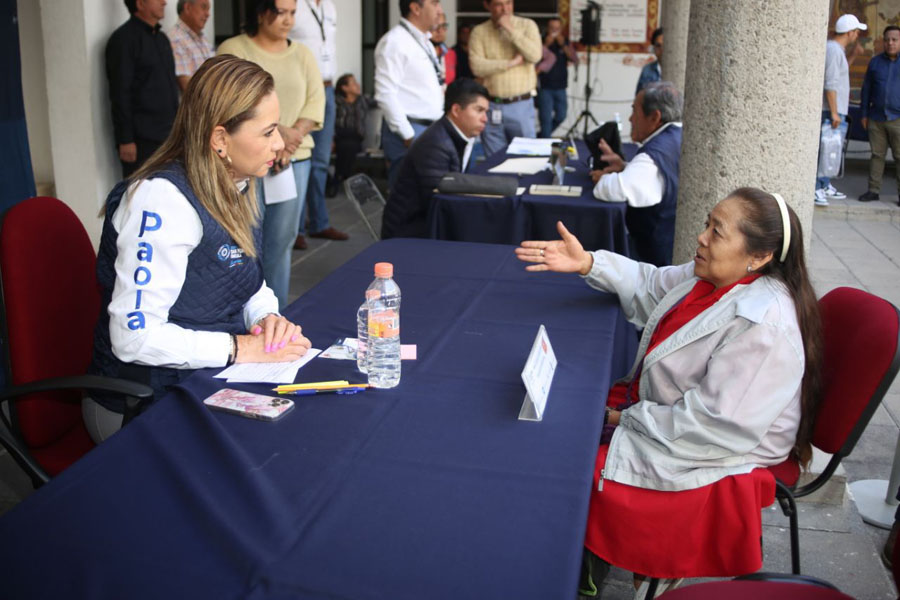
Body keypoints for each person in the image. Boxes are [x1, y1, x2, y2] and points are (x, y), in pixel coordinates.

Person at [516, 187, 821, 596]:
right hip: (674, 417)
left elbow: (714, 427)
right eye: (707, 224)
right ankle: (573, 561)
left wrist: (622, 419)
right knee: (560, 427)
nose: (702, 237)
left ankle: (575, 573)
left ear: (759, 257)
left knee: (568, 464)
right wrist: (587, 262)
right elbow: (651, 284)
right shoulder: (714, 278)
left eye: (718, 231)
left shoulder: (764, 326)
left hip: (717, 446)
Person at [88, 56, 313, 443]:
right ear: (220, 139)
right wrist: (239, 347)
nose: (279, 143)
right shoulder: (161, 201)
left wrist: (266, 317)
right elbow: (133, 338)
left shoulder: (239, 182)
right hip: (141, 404)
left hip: (201, 377)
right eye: (268, 131)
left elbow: (245, 279)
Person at [218, 0, 325, 308]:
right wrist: (277, 134)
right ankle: (237, 310)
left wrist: (289, 138)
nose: (288, 20)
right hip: (243, 162)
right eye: (281, 12)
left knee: (280, 242)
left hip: (293, 160)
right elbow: (230, 106)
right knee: (240, 240)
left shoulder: (302, 53)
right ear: (260, 11)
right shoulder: (234, 49)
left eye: (293, 13)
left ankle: (274, 313)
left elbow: (316, 103)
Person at [381, 78, 489, 239]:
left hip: (427, 223)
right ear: (456, 110)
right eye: (479, 110)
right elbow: (439, 202)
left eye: (486, 112)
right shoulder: (436, 144)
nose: (485, 118)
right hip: (409, 233)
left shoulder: (458, 134)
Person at [590, 81, 682, 267]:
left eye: (635, 111)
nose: (631, 119)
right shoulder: (678, 135)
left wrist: (603, 177)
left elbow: (608, 190)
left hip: (651, 260)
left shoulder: (652, 158)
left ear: (655, 117)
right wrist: (624, 166)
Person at [289, 0, 349, 250]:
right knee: (299, 157)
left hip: (327, 87)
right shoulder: (293, 6)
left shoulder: (329, 7)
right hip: (301, 89)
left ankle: (319, 222)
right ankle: (297, 228)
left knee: (321, 162)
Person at [374, 0, 445, 188]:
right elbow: (385, 93)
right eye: (435, 3)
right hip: (410, 130)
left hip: (430, 129)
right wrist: (408, 135)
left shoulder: (424, 41)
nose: (440, 10)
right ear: (415, 8)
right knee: (406, 201)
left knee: (428, 198)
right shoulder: (394, 42)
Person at [106, 0, 179, 178]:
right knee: (142, 194)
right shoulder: (123, 40)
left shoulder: (161, 39)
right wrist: (126, 139)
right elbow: (120, 92)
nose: (164, 2)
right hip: (142, 141)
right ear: (140, 4)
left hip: (169, 135)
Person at [469, 0, 542, 157]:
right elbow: (476, 67)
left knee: (527, 158)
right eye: (498, 4)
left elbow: (535, 55)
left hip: (521, 104)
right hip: (492, 106)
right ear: (487, 5)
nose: (505, 9)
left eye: (508, 3)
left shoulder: (527, 25)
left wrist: (510, 29)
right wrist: (510, 63)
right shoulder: (479, 31)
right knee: (494, 161)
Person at [816, 14, 867, 206]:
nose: (857, 35)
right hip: (832, 111)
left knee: (831, 150)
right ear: (850, 32)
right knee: (826, 148)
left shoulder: (837, 50)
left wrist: (853, 55)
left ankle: (824, 183)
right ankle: (817, 187)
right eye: (856, 32)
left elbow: (839, 72)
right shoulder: (833, 50)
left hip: (837, 110)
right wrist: (835, 112)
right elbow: (830, 84)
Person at [859, 25, 900, 206]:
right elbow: (866, 90)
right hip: (876, 117)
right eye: (887, 40)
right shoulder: (875, 62)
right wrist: (864, 113)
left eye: (894, 39)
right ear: (883, 42)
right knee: (877, 155)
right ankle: (873, 191)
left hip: (898, 119)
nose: (890, 43)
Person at [333, 74, 376, 189]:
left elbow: (380, 102)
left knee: (349, 145)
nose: (358, 85)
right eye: (353, 83)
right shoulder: (336, 101)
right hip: (340, 136)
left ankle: (338, 177)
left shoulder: (363, 100)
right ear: (345, 88)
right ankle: (346, 177)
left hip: (356, 137)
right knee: (346, 145)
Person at [536, 17, 578, 138]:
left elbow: (574, 59)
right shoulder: (541, 41)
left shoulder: (565, 41)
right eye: (552, 28)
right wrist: (546, 45)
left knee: (561, 115)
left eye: (557, 29)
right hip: (545, 86)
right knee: (545, 119)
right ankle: (545, 141)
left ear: (561, 29)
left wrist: (563, 45)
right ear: (547, 29)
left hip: (561, 86)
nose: (554, 31)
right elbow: (535, 59)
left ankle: (542, 136)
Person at [169, 0, 214, 92]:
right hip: (197, 104)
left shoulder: (203, 38)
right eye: (204, 7)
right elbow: (187, 87)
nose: (208, 14)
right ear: (187, 8)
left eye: (209, 10)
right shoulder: (175, 39)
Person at [635, 27, 663, 94]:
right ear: (653, 48)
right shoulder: (647, 70)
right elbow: (639, 97)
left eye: (666, 45)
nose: (662, 49)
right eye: (658, 45)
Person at [432, 10, 455, 85]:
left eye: (443, 26)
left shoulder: (451, 54)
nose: (440, 31)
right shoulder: (419, 53)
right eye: (435, 26)